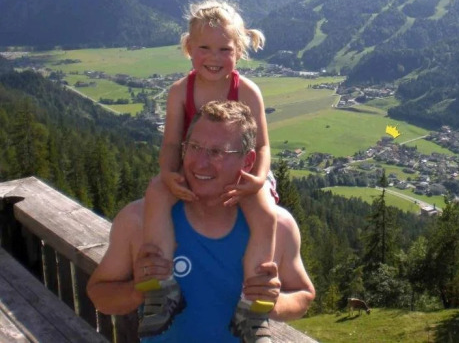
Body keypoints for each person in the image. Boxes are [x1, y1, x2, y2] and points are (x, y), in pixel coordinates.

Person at [87, 101, 315, 342]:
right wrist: (137, 290)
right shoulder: (139, 219)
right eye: (194, 147)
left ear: (247, 161)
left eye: (217, 152)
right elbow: (99, 294)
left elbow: (303, 295)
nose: (200, 163)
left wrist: (274, 302)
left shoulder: (278, 225)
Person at [141, 0, 277, 339]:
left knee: (265, 214)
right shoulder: (180, 92)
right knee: (156, 193)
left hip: (244, 171)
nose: (214, 58)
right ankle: (162, 289)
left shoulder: (247, 91)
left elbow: (262, 146)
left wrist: (258, 179)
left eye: (224, 49)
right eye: (204, 48)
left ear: (239, 51)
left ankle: (254, 305)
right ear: (189, 48)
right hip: (194, 168)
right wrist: (168, 174)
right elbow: (171, 144)